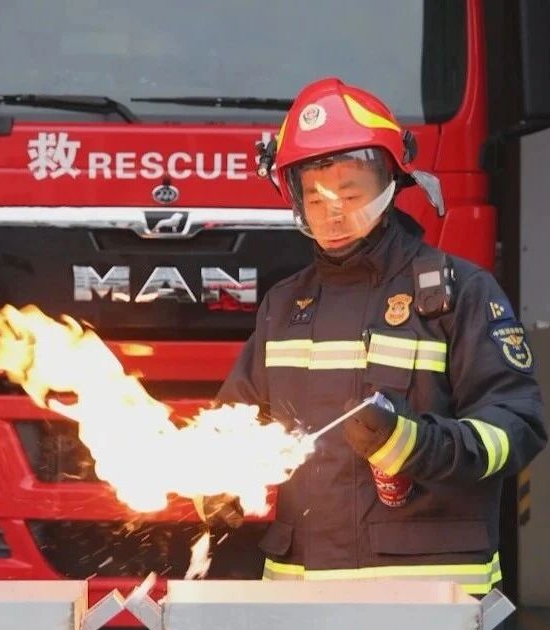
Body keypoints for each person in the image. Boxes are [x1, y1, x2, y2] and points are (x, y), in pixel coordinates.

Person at [204, 77, 547, 595]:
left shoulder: (461, 293)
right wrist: (218, 477)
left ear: (390, 185)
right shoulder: (284, 306)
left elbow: (517, 428)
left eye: (350, 193)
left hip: (429, 603)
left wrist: (413, 443)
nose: (334, 213)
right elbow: (234, 422)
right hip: (301, 602)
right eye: (315, 198)